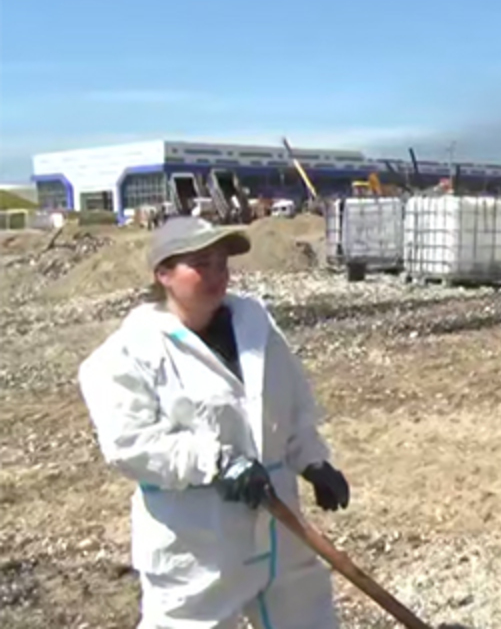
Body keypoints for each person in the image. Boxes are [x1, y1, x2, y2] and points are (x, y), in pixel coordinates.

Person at [78, 217, 350, 628]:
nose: (217, 275)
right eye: (201, 264)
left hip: (281, 532)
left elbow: (290, 404)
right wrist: (218, 462)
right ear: (164, 274)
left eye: (222, 263)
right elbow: (130, 444)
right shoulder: (127, 354)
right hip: (200, 547)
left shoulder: (256, 327)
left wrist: (314, 462)